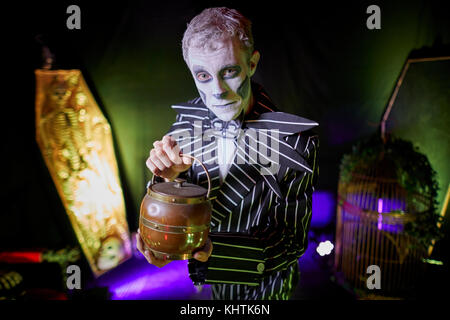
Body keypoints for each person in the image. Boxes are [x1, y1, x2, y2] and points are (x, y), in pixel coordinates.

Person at [136, 7, 319, 300]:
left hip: (264, 284)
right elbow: (176, 215)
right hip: (206, 285)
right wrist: (166, 182)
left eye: (229, 72)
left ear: (253, 63)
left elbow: (291, 242)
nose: (217, 91)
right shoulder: (186, 124)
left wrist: (215, 254)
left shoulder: (294, 143)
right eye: (203, 75)